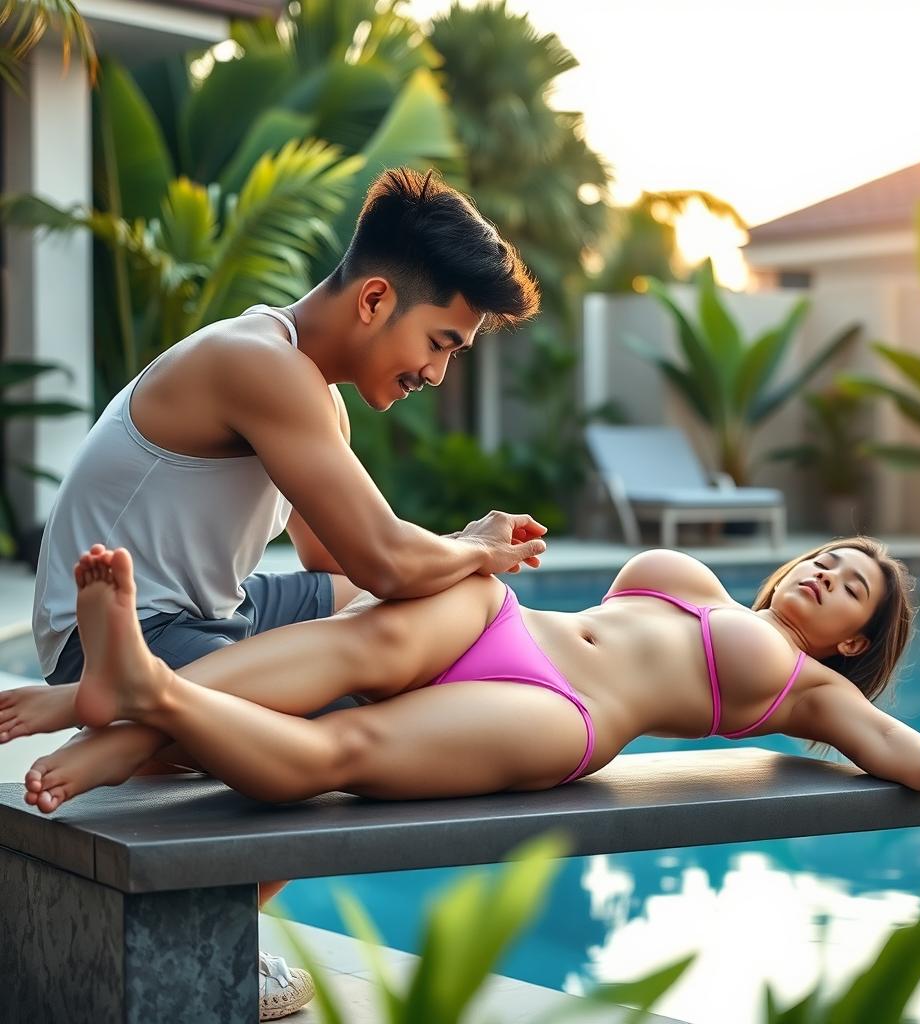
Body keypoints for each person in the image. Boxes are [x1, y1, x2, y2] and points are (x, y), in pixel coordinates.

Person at [26, 166, 542, 1020]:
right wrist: (473, 549)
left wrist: (440, 572)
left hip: (209, 614)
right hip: (116, 634)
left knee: (397, 637)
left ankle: (184, 776)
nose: (437, 374)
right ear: (375, 299)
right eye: (442, 344)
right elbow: (382, 560)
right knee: (352, 729)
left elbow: (328, 556)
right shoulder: (258, 364)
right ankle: (219, 939)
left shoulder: (311, 391)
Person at [5, 536, 920, 821]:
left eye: (850, 585)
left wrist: (853, 722)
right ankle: (120, 715)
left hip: (559, 711)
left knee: (347, 748)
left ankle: (146, 697)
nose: (824, 572)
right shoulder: (700, 588)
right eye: (828, 557)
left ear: (855, 643)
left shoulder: (811, 691)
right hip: (505, 619)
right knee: (350, 643)